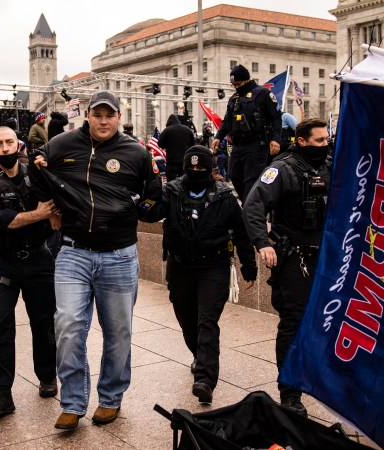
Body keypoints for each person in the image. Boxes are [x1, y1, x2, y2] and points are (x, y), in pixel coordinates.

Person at [29, 90, 162, 430]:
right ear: (87, 115)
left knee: (118, 333)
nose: (103, 120)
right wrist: (51, 210)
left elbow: (154, 199)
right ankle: (73, 402)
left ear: (118, 117)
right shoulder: (61, 144)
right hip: (73, 252)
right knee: (69, 327)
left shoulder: (135, 153)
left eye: (110, 115)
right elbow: (36, 171)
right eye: (97, 114)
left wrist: (134, 212)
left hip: (119, 256)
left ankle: (110, 398)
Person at [156, 146, 257, 404]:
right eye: (192, 168)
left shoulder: (225, 196)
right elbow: (151, 212)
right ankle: (199, 356)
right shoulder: (172, 191)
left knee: (207, 322)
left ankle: (205, 378)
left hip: (214, 267)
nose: (196, 172)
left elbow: (242, 234)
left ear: (210, 169)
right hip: (180, 267)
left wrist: (249, 267)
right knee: (186, 320)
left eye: (201, 168)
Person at [243, 118, 330, 417]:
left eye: (326, 139)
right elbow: (253, 206)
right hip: (295, 260)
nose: (325, 145)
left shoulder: (332, 167)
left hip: (328, 260)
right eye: (319, 141)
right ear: (302, 141)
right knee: (292, 325)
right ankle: (290, 393)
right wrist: (262, 243)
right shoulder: (281, 168)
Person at [0, 126, 58, 416]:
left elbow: (56, 206)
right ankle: (1, 393)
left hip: (38, 259)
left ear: (18, 143)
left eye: (10, 141)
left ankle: (48, 376)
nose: (6, 147)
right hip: (4, 261)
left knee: (44, 322)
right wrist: (36, 215)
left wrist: (47, 216)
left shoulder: (36, 174)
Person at [212, 65, 282, 204]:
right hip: (238, 146)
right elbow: (227, 120)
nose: (236, 87)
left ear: (246, 80)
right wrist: (218, 137)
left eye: (238, 84)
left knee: (251, 179)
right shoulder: (234, 98)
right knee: (234, 175)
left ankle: (250, 209)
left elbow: (276, 117)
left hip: (256, 145)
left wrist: (276, 139)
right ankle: (250, 206)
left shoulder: (263, 94)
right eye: (233, 85)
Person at [158, 114, 196, 181]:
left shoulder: (166, 130)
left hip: (171, 162)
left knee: (171, 183)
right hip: (184, 161)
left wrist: (168, 145)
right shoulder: (188, 130)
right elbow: (193, 145)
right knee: (184, 182)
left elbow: (160, 144)